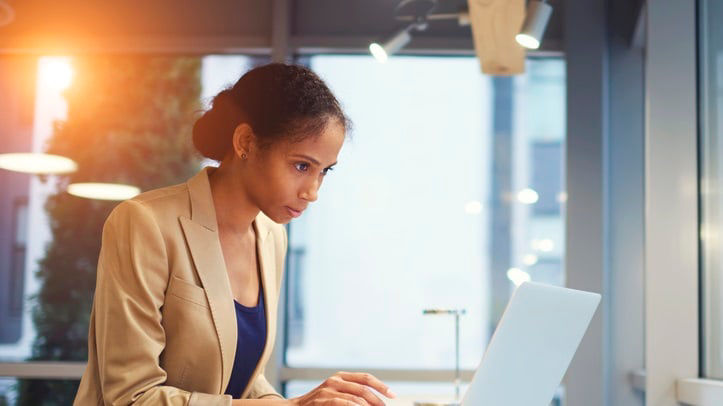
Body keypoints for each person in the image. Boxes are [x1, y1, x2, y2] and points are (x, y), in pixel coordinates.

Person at [73, 63, 397, 406]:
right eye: (302, 166)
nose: (313, 191)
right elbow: (131, 397)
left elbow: (239, 376)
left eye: (324, 172)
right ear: (246, 142)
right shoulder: (144, 223)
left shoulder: (271, 236)